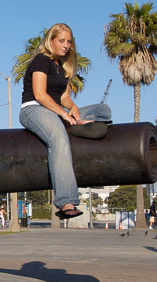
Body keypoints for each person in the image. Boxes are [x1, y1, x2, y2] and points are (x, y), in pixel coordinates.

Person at [19, 23, 111, 219]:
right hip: (34, 109)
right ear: (50, 41)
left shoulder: (61, 67)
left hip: (56, 111)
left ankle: (77, 124)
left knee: (102, 110)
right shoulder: (41, 61)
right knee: (58, 137)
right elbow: (40, 95)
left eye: (69, 41)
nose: (66, 45)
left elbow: (64, 97)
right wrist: (64, 115)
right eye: (61, 40)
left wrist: (73, 108)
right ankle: (66, 201)